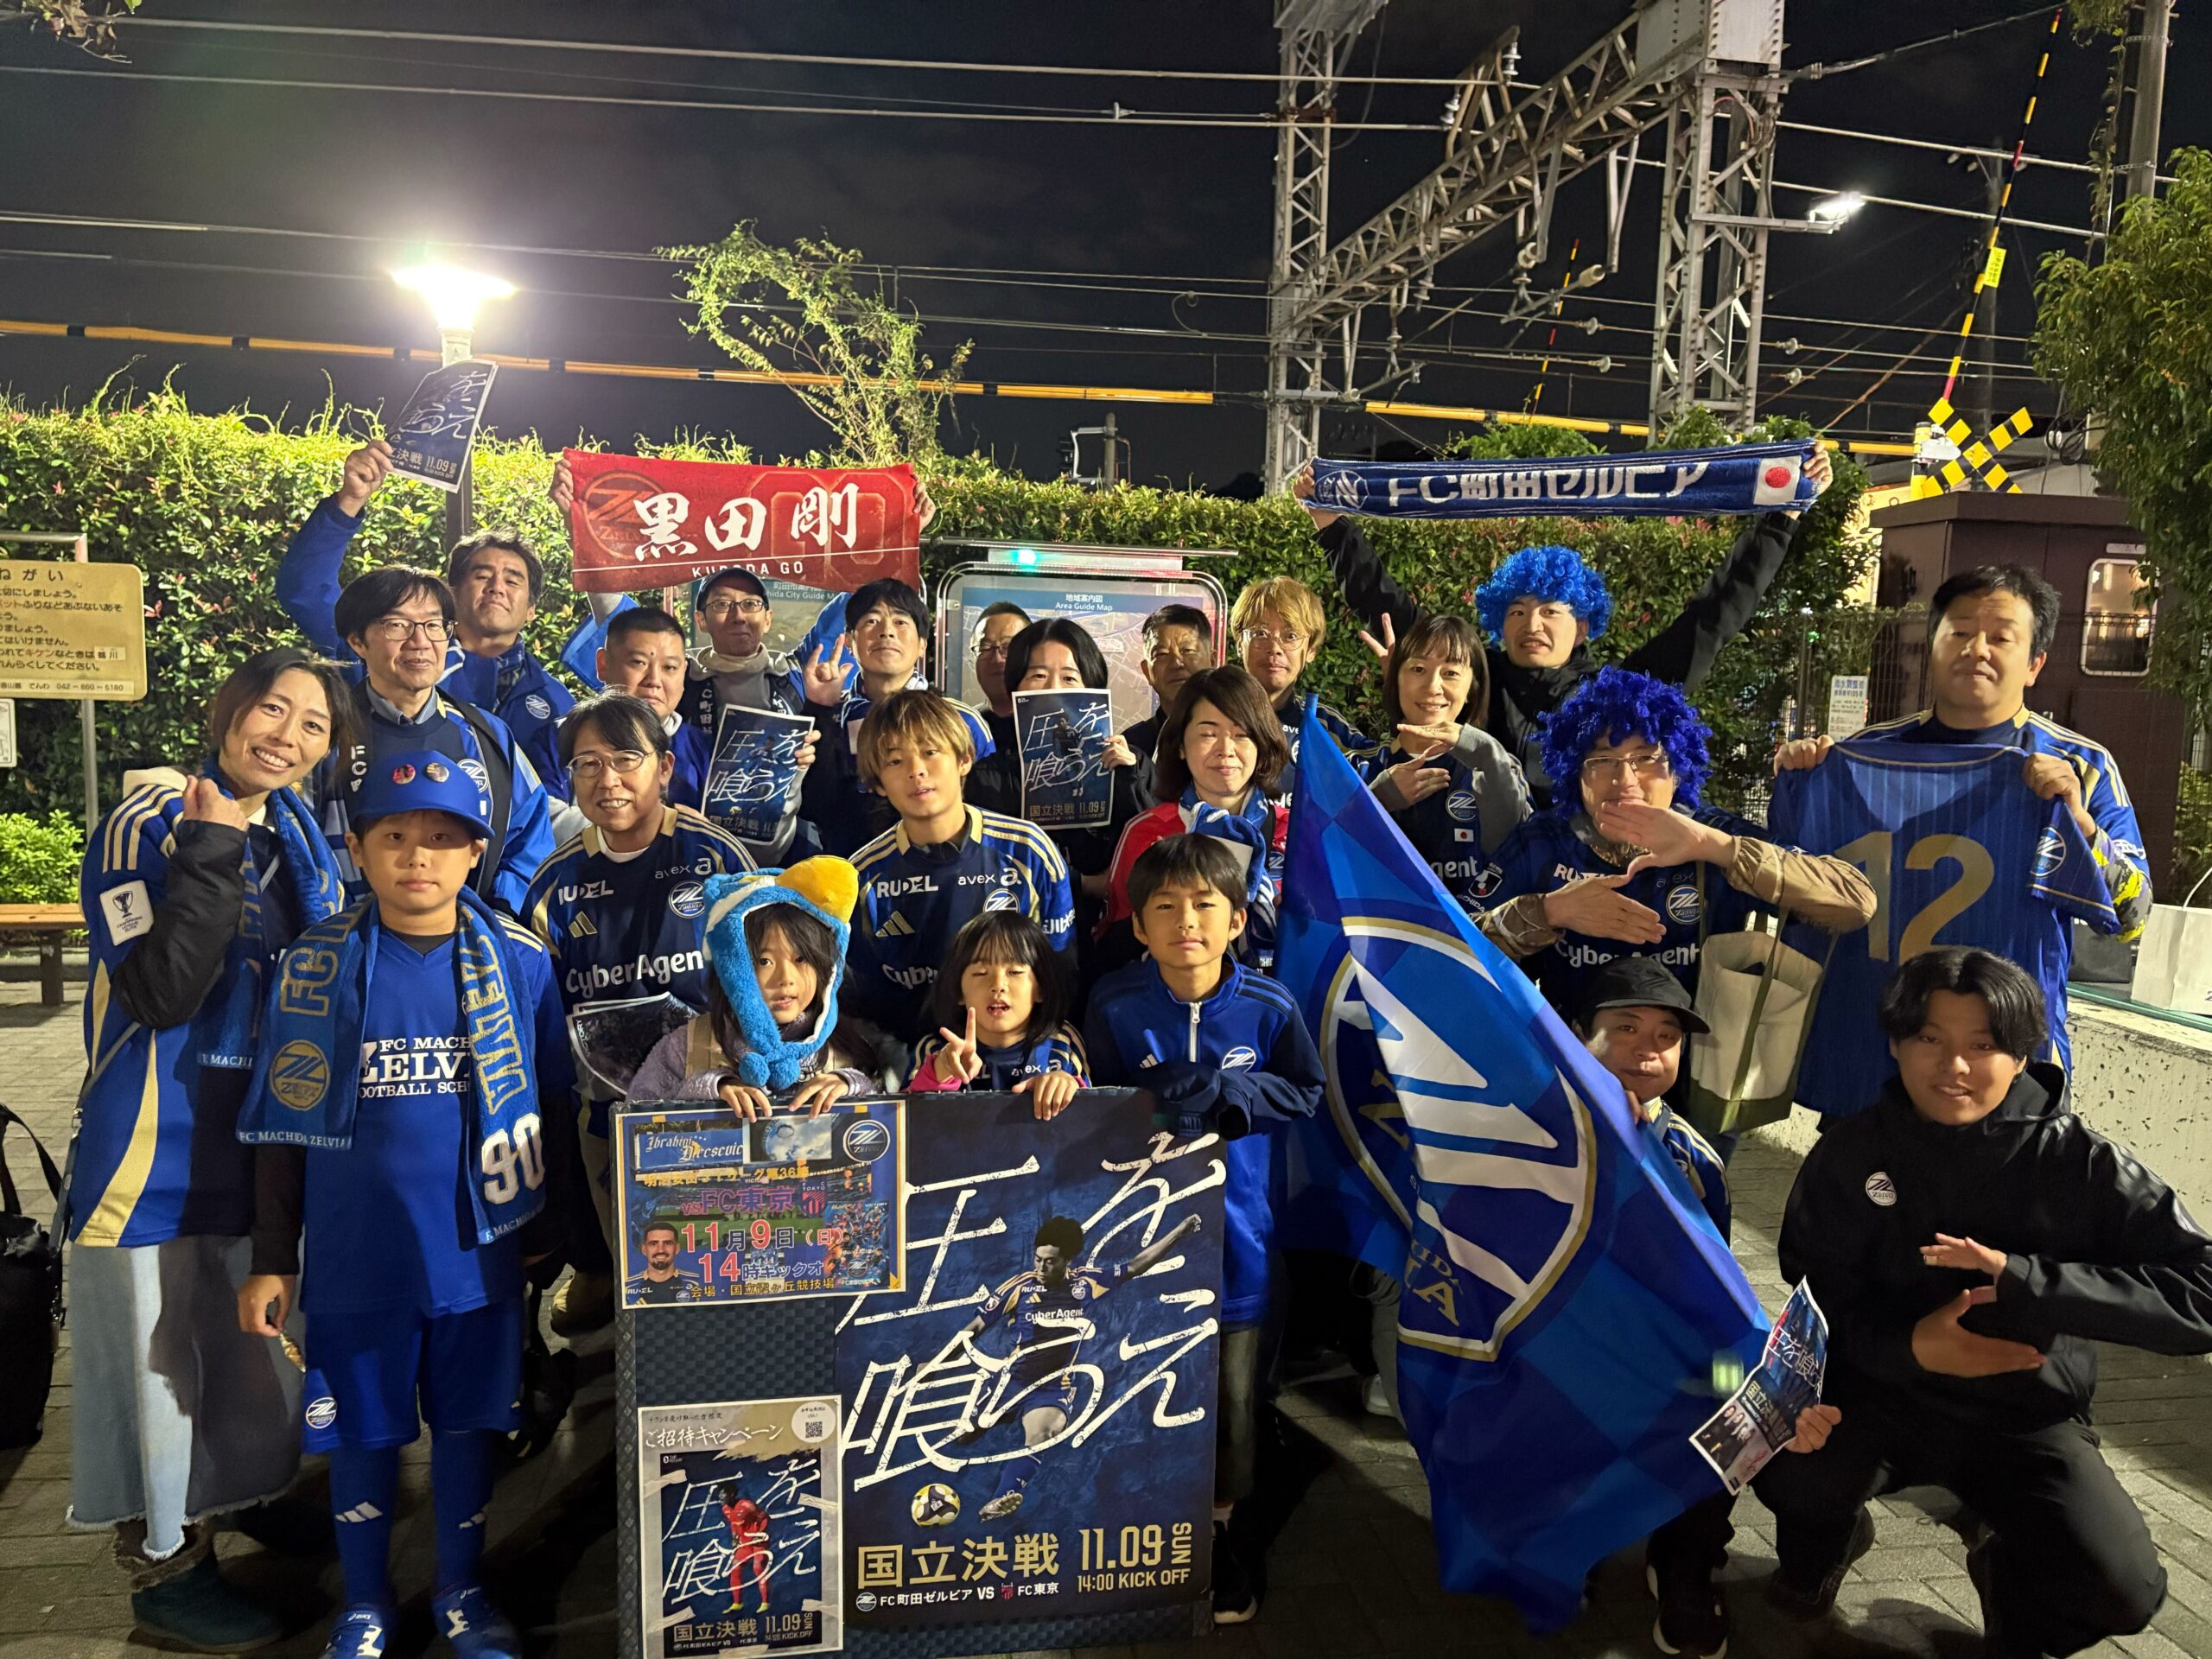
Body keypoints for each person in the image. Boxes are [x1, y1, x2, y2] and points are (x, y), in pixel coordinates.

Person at [1754, 948, 2210, 1657]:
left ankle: (2011, 1585)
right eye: (1929, 1038)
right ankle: (1823, 1550)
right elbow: (1817, 1300)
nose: (1955, 1066)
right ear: (1896, 1043)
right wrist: (1911, 1346)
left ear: (2022, 1055)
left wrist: (2031, 1283)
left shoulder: (2080, 1163)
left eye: (1984, 1045)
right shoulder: (1851, 1151)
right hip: (1878, 1393)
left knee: (2122, 1588)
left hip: (2023, 1414)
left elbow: (2203, 1293)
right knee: (1785, 1463)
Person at [237, 751, 575, 1659]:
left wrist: (550, 1234)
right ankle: (365, 1603)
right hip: (358, 1258)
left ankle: (461, 1590)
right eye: (394, 836)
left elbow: (552, 1103)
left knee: (468, 1430)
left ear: (475, 853)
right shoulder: (311, 966)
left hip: (478, 1252)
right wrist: (271, 1257)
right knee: (363, 1436)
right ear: (357, 849)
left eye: (441, 838)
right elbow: (279, 1129)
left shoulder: (521, 962)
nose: (417, 856)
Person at [68, 649, 357, 1652]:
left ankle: (236, 1495)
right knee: (155, 1368)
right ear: (228, 709)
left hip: (255, 1142)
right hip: (151, 1150)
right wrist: (210, 845)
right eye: (273, 709)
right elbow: (161, 991)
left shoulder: (303, 837)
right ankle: (163, 1568)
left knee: (244, 1354)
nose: (287, 735)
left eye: (313, 725)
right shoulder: (149, 820)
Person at [1773, 563, 2152, 1076]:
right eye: (1960, 633)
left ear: (2035, 664)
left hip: (2006, 1064)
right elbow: (1786, 888)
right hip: (1872, 1056)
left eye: (2001, 638)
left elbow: (2133, 916)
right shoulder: (1855, 758)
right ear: (1932, 647)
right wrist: (1799, 779)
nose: (1977, 649)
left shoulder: (2082, 768)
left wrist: (2082, 826)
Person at [1297, 448, 1833, 809]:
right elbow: (1388, 607)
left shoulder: (1619, 693)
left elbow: (1712, 619)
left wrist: (1781, 518)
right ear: (1499, 621)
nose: (1532, 623)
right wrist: (1330, 525)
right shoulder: (1475, 677)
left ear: (1581, 627)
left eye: (1550, 611)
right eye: (1517, 611)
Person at [1569, 957, 1842, 1657]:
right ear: (1577, 1032)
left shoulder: (1696, 1158)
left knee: (1735, 1396)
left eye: (1666, 1036)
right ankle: (1567, 1544)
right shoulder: (1534, 1138)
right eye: (1625, 1027)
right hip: (1563, 1346)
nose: (1647, 1049)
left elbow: (1713, 1284)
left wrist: (1738, 1366)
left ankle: (1686, 1558)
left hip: (1670, 1357)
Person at [1084, 835, 1325, 1624]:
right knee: (1134, 1387)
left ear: (1237, 920)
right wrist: (1157, 1105)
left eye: (1204, 905)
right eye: (1165, 907)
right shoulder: (1114, 1004)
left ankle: (1220, 1536)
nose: (1186, 921)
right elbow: (1091, 1109)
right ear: (1139, 926)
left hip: (1240, 1244)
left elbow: (1308, 1093)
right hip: (1135, 1248)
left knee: (1234, 1403)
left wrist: (1235, 1092)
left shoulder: (1270, 1006)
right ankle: (1139, 1529)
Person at [524, 694, 756, 1331]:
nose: (608, 780)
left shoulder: (717, 858)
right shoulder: (553, 884)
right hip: (611, 1113)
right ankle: (639, 1366)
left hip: (719, 1102)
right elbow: (547, 1014)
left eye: (626, 758)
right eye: (587, 764)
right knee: (641, 1261)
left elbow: (762, 982)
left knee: (725, 1259)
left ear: (665, 766)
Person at [1474, 666, 1875, 1020]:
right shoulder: (1544, 841)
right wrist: (1549, 911)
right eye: (1602, 761)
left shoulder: (1711, 833)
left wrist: (1718, 848)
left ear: (1678, 770)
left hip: (1696, 1068)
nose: (1625, 780)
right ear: (1574, 775)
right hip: (1573, 1066)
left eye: (1646, 758)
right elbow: (1454, 946)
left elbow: (1855, 902)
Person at [280, 438, 575, 799]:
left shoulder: (558, 703)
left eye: (513, 580)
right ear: (451, 592)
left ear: (532, 609)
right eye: (482, 575)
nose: (497, 587)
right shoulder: (390, 654)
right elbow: (306, 590)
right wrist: (349, 502)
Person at [303, 563, 556, 914]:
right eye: (397, 625)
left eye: (434, 625)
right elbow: (298, 846)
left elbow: (529, 841)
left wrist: (495, 917)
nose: (419, 642)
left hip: (472, 935)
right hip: (346, 935)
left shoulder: (487, 734)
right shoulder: (325, 734)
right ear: (357, 641)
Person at [842, 690, 1076, 1043]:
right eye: (895, 761)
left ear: (964, 759)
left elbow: (1060, 973)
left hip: (1017, 1051)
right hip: (911, 1058)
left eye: (930, 752)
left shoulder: (1029, 850)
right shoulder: (862, 877)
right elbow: (864, 1002)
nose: (916, 771)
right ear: (878, 783)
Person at [954, 1212, 1205, 1521]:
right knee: (964, 1436)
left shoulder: (1086, 1283)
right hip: (1011, 1382)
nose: (1041, 1268)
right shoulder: (1020, 1287)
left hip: (1051, 1388)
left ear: (1068, 1260)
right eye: (1038, 1260)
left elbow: (1135, 1265)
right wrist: (938, 1365)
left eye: (1050, 1262)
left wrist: (1178, 1232)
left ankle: (999, 1500)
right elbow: (976, 1327)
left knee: (1043, 1434)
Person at [627, 858, 892, 1112]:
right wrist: (709, 1091)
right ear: (732, 969)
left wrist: (852, 1086)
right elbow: (636, 1122)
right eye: (764, 961)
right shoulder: (684, 1046)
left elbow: (887, 1126)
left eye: (801, 959)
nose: (785, 978)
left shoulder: (848, 1046)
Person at [1099, 667, 1289, 974]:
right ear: (1181, 747)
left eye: (1242, 735)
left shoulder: (1294, 833)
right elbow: (1111, 944)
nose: (1226, 750)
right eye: (1208, 734)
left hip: (1272, 999)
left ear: (1262, 744)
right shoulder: (1145, 832)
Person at [799, 577, 997, 857]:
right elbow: (813, 805)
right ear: (851, 641)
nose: (886, 632)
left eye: (901, 622)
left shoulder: (960, 720)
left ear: (922, 645)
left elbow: (988, 810)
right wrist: (820, 708)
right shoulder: (830, 716)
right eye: (871, 621)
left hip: (949, 873)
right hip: (851, 873)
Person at [1359, 613, 1529, 906]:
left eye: (1450, 673)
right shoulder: (1359, 768)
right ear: (1394, 678)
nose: (1432, 686)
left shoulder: (1497, 767)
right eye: (1418, 669)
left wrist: (1486, 755)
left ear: (1472, 688)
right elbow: (1327, 858)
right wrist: (1378, 799)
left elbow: (1517, 854)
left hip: (1470, 932)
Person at [907, 912, 1089, 1117]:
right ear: (958, 992)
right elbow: (904, 1121)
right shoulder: (935, 1050)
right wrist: (942, 1072)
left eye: (1014, 972)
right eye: (981, 973)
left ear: (1041, 988)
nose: (998, 985)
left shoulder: (1062, 1043)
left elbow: (1089, 1117)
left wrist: (1067, 1085)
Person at [1228, 575, 1375, 787]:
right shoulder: (1213, 714)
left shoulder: (1323, 724)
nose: (1274, 648)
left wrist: (1399, 688)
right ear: (1240, 644)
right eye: (1260, 633)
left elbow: (1384, 770)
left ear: (1311, 650)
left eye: (1290, 636)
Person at [594, 607, 715, 810]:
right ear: (603, 664)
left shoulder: (707, 751)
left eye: (670, 667)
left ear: (684, 672)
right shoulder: (562, 739)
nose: (654, 680)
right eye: (639, 663)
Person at [1124, 602, 1214, 807]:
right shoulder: (1132, 747)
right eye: (1162, 654)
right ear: (1147, 671)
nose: (1176, 663)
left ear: (1212, 660)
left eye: (1188, 650)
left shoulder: (1234, 738)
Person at [970, 600, 1033, 754]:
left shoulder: (1051, 725)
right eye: (985, 648)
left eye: (1009, 647)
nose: (997, 659)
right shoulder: (962, 727)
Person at [718, 1481, 773, 1615]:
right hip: (744, 1544)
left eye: (723, 1494)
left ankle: (765, 1603)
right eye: (719, 1494)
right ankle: (737, 1603)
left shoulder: (747, 1505)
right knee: (735, 1569)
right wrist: (734, 1538)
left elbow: (765, 1518)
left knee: (758, 1568)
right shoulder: (725, 1509)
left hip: (758, 1543)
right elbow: (734, 1524)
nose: (719, 1497)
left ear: (732, 1494)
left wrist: (759, 1534)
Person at [626, 1220, 706, 1306]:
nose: (660, 1250)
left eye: (667, 1243)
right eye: (653, 1244)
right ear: (644, 1249)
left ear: (677, 1248)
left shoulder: (696, 1284)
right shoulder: (627, 1288)